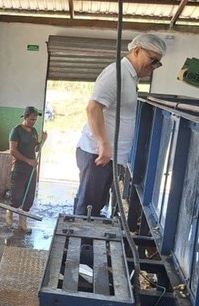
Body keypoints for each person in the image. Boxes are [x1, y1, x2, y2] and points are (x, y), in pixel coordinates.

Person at [74, 33, 166, 217]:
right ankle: (83, 245)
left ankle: (88, 244)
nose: (154, 66)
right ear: (137, 50)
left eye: (158, 63)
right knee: (87, 209)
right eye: (152, 59)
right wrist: (103, 144)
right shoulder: (117, 73)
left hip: (108, 156)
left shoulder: (131, 77)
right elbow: (93, 108)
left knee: (96, 205)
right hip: (97, 155)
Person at [6, 106, 47, 232]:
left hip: (31, 169)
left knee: (29, 197)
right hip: (19, 167)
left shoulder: (34, 131)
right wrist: (28, 160)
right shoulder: (16, 131)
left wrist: (42, 141)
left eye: (35, 120)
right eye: (31, 119)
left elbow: (35, 149)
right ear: (25, 117)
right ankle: (10, 211)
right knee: (17, 196)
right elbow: (13, 150)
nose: (33, 122)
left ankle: (22, 224)